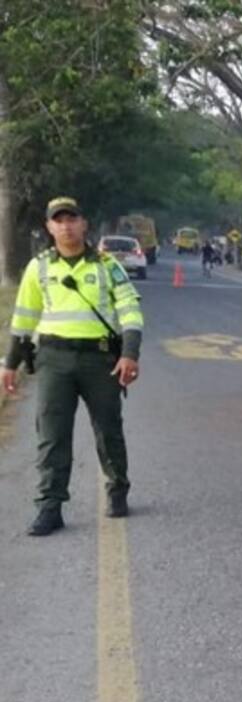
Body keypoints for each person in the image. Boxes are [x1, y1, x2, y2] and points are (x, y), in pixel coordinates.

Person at [2, 196, 144, 536]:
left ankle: (117, 488)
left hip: (99, 360)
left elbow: (130, 312)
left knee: (108, 428)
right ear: (49, 227)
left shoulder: (108, 266)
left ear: (84, 224)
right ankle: (50, 507)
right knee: (51, 435)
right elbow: (24, 318)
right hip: (53, 359)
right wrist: (10, 364)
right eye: (59, 220)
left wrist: (129, 353)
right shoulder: (39, 268)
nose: (66, 225)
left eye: (72, 219)